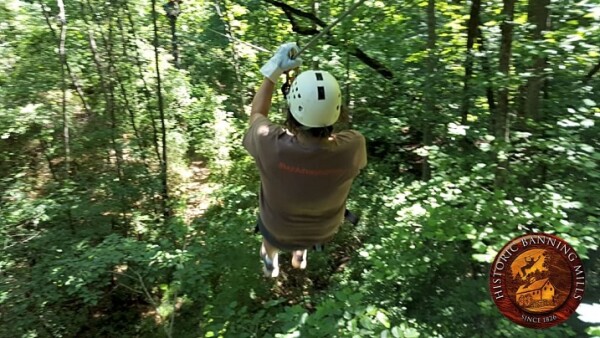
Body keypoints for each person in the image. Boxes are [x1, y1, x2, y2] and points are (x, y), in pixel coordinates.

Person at [243, 43, 367, 277]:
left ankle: (270, 260)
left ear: (291, 111)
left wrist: (273, 72)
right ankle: (300, 254)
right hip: (324, 230)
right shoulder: (353, 146)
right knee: (308, 202)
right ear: (338, 110)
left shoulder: (272, 145)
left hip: (277, 227)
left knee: (272, 236)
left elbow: (256, 116)